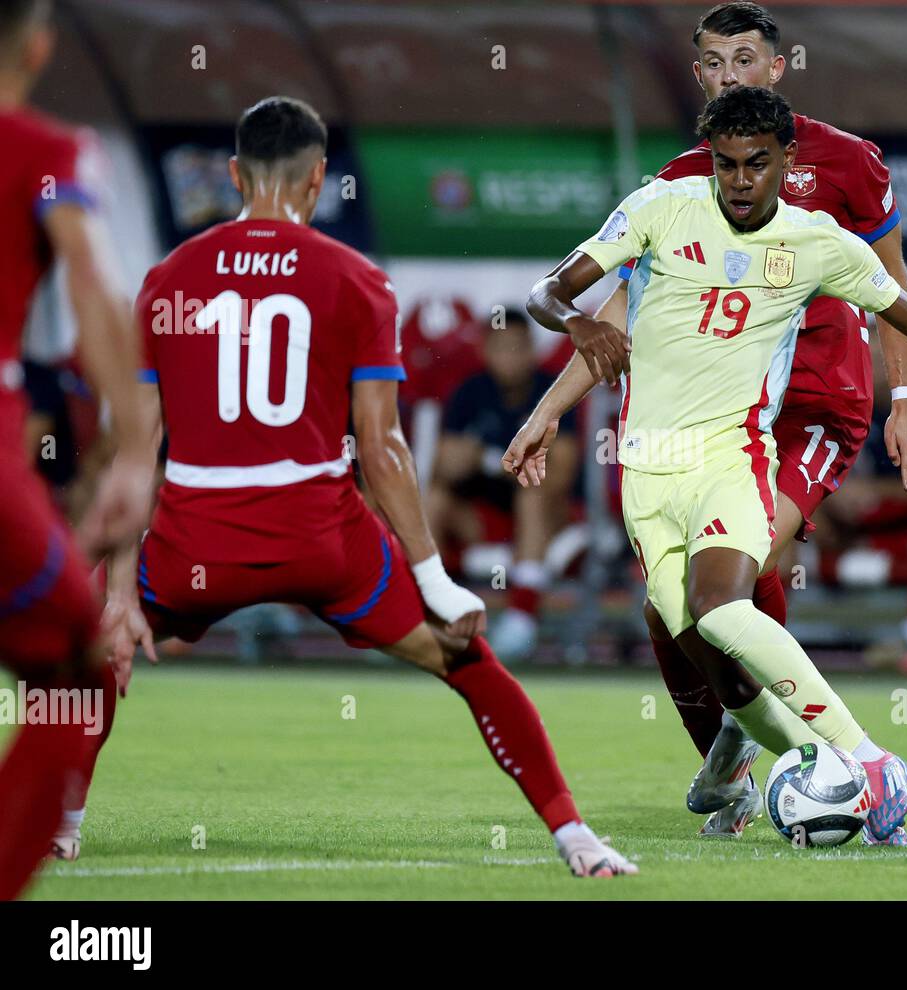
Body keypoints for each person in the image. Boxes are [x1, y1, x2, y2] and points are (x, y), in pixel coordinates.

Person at [509, 86, 907, 846]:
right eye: (726, 165)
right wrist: (578, 322)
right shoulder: (660, 207)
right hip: (647, 474)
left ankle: (872, 762)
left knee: (720, 606)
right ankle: (816, 766)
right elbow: (545, 290)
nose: (741, 180)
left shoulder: (818, 243)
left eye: (757, 163)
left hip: (732, 457)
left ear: (788, 160)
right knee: (694, 639)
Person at [95, 95, 635, 878]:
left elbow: (133, 447)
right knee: (469, 662)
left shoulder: (170, 276)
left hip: (193, 542)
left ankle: (62, 823)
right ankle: (575, 837)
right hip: (323, 539)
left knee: (84, 656)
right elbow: (381, 448)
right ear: (318, 180)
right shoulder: (354, 279)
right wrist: (434, 578)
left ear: (236, 174)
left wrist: (116, 591)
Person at [513, 0, 907, 839]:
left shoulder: (848, 163)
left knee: (737, 578)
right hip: (703, 417)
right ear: (697, 74)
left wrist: (906, 399)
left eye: (745, 58)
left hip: (814, 407)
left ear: (778, 66)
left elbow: (897, 292)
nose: (729, 74)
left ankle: (846, 762)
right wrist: (549, 408)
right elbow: (624, 310)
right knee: (671, 614)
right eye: (712, 61)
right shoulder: (678, 185)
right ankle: (741, 751)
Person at [0, 0, 154, 899]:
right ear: (41, 42)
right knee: (75, 660)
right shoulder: (49, 153)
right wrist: (134, 451)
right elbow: (93, 284)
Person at [428, 308, 580, 660]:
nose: (510, 358)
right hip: (482, 522)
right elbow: (443, 465)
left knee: (533, 494)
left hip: (543, 522)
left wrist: (492, 461)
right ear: (485, 350)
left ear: (532, 349)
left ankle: (522, 615)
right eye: (501, 347)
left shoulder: (554, 392)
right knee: (436, 499)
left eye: (518, 347)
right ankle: (428, 607)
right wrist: (462, 459)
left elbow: (560, 476)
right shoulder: (470, 391)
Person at [813, 337, 907, 671]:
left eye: (884, 359)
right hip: (852, 521)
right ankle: (770, 636)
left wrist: (875, 490)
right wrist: (837, 489)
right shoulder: (839, 396)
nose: (873, 369)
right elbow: (814, 467)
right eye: (865, 358)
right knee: (801, 499)